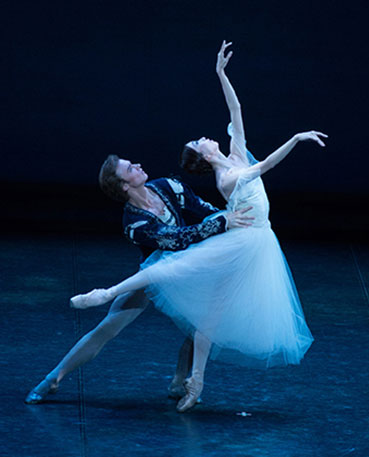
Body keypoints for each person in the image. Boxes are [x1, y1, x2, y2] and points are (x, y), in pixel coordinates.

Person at [70, 41, 327, 412]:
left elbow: (236, 109)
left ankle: (196, 382)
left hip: (259, 240)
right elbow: (267, 165)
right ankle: (105, 294)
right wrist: (298, 138)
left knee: (210, 319)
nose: (206, 137)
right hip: (239, 238)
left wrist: (221, 74)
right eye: (200, 141)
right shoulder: (226, 177)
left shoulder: (236, 150)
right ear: (204, 155)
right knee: (172, 266)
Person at [24, 152, 253, 405]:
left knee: (199, 327)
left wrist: (232, 218)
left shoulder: (168, 186)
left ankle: (178, 383)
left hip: (187, 270)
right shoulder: (135, 224)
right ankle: (54, 377)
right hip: (154, 275)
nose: (139, 165)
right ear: (124, 185)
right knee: (108, 327)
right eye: (131, 168)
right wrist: (222, 223)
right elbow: (176, 238)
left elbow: (202, 209)